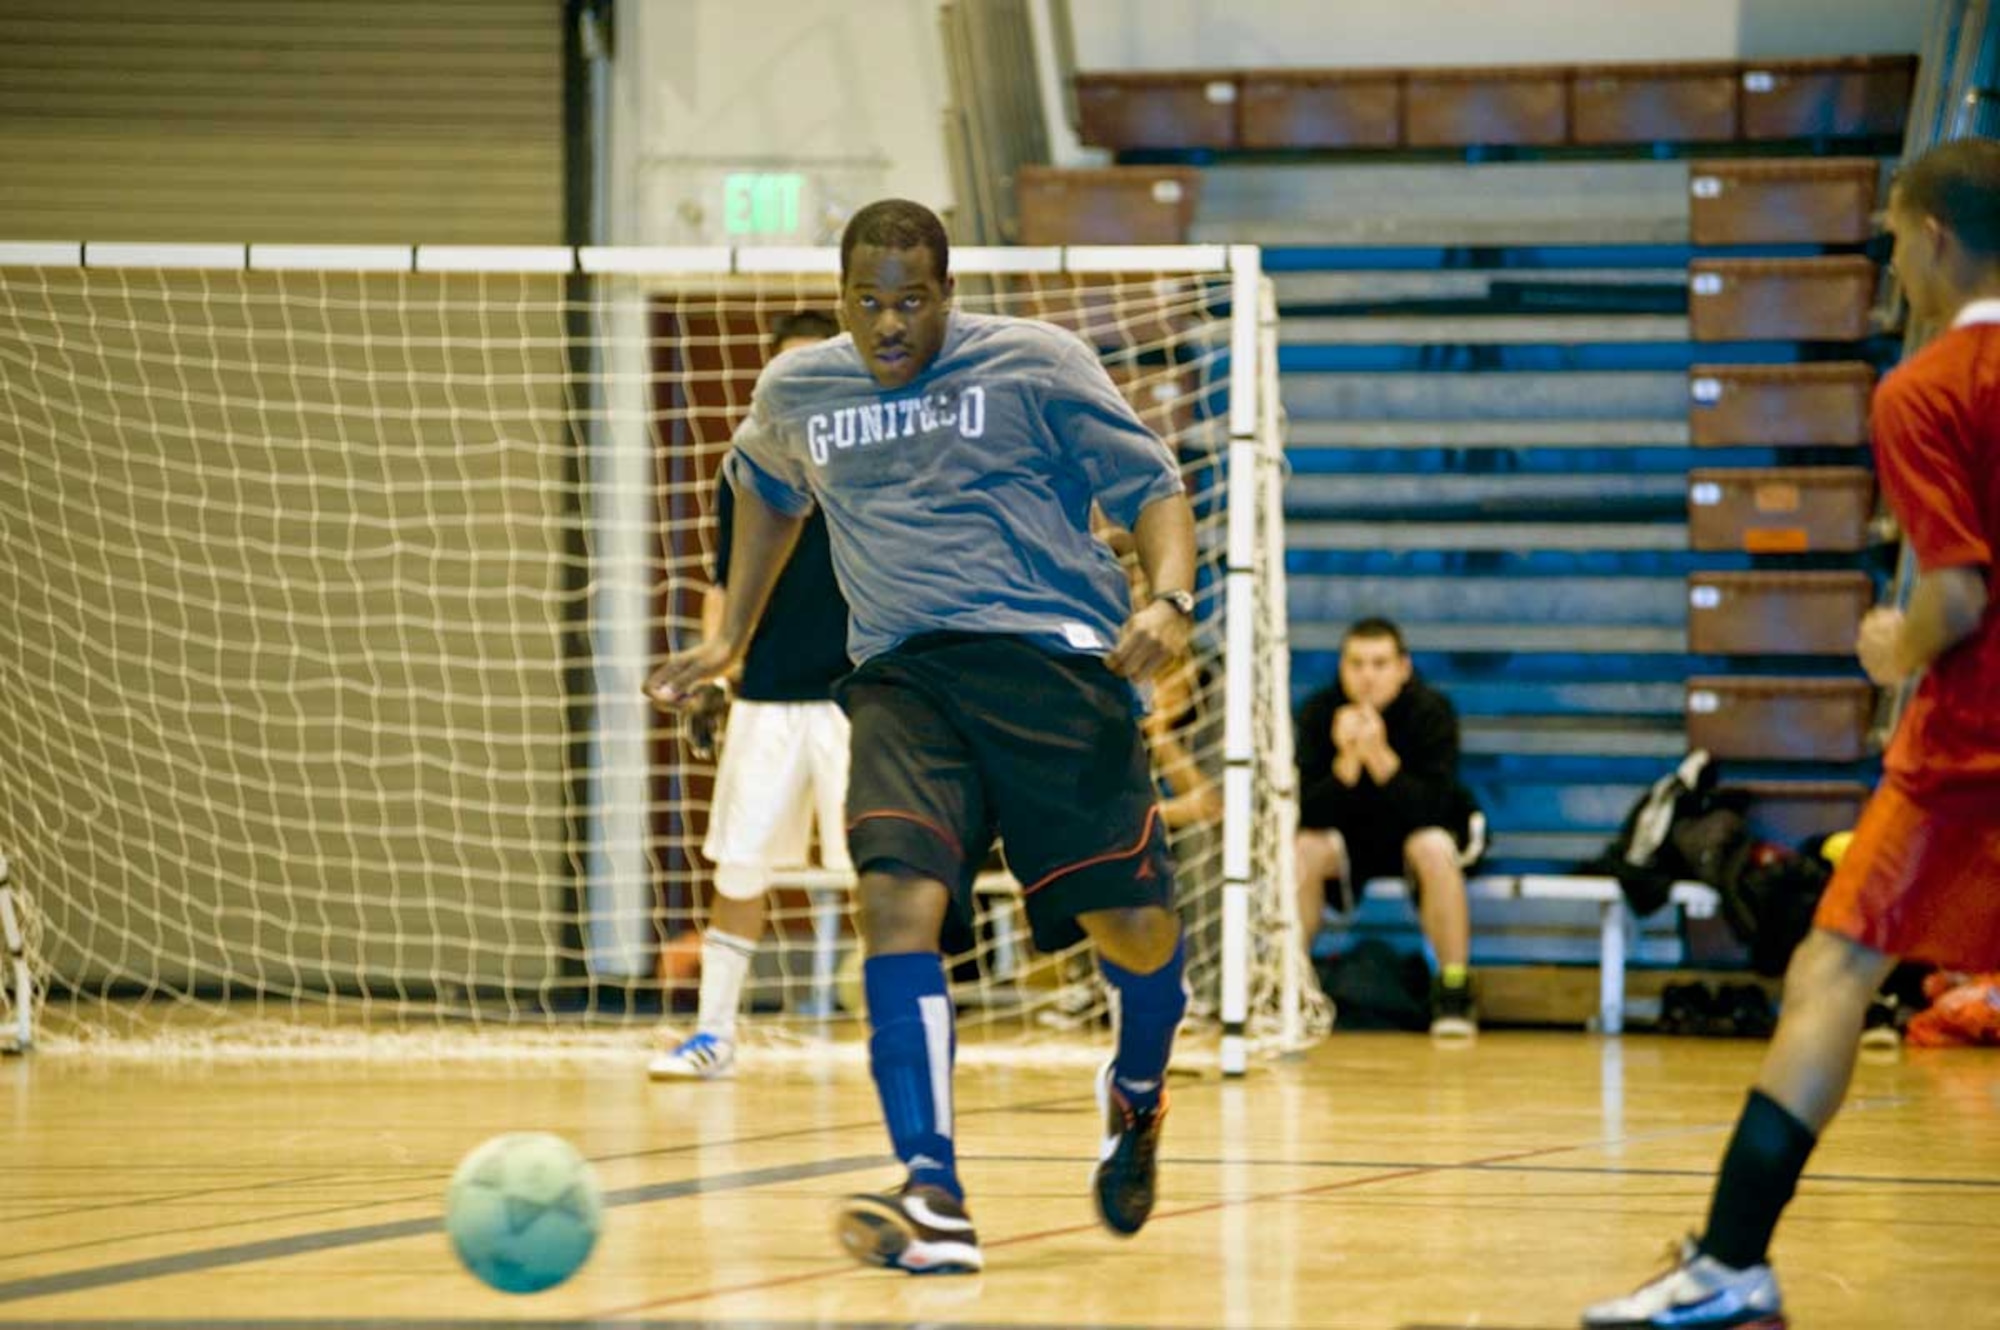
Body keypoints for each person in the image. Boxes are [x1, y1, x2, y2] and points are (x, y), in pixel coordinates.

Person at [645, 198, 1197, 1275]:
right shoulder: (799, 386)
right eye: (866, 302)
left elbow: (1151, 485)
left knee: (1133, 929)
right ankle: (931, 1187)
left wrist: (1168, 601)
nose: (887, 324)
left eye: (909, 302)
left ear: (948, 293)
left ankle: (1136, 1092)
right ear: (842, 298)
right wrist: (728, 639)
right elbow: (762, 490)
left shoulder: (1037, 362)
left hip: (1051, 664)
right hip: (901, 678)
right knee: (895, 899)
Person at [1582, 137, 2000, 1329]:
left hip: (1964, 749)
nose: (1886, 257)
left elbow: (1955, 591)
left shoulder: (1922, 388)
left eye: (1889, 235)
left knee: (1829, 972)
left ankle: (1727, 1265)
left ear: (1928, 237)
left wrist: (1893, 645)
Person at [650, 310, 846, 1080]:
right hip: (766, 698)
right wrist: (713, 680)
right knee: (738, 868)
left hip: (861, 700)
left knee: (887, 871)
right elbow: (726, 585)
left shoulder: (879, 470)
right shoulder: (746, 472)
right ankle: (714, 1035)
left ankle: (901, 1029)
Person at [1293, 617, 1482, 1038]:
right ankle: (1291, 985)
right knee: (1303, 848)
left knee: (1433, 846)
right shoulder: (1318, 712)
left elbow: (1434, 809)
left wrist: (1378, 757)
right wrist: (1346, 764)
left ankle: (1453, 988)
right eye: (1356, 664)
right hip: (1347, 840)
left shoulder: (1431, 712)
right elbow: (1304, 812)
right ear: (1342, 667)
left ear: (1403, 667)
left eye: (1379, 664)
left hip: (1414, 837)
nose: (1367, 676)